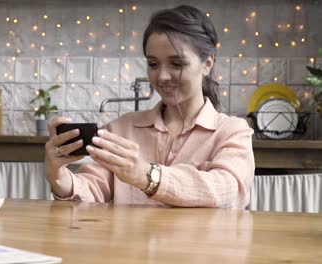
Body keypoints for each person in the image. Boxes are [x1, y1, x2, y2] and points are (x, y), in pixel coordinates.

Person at [44, 5, 255, 209]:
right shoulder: (121, 129)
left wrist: (145, 174)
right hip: (130, 246)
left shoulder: (232, 132)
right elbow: (92, 191)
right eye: (153, 64)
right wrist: (58, 176)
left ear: (207, 64)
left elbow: (228, 190)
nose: (162, 76)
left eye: (177, 63)